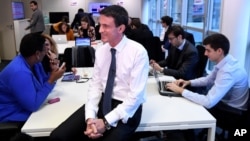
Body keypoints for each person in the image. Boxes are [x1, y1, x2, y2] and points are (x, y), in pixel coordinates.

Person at [50, 5, 149, 141]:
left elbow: (135, 96)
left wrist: (106, 122)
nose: (100, 30)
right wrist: (90, 117)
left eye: (106, 26)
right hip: (103, 100)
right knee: (58, 136)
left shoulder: (138, 52)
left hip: (127, 107)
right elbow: (95, 85)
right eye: (100, 25)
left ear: (120, 29)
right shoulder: (101, 51)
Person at [166, 33, 249, 139]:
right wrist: (188, 82)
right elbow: (208, 80)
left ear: (219, 51)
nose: (205, 54)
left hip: (233, 113)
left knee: (190, 109)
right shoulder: (225, 61)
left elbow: (209, 102)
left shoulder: (228, 72)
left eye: (208, 50)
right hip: (224, 104)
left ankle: (188, 137)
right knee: (191, 102)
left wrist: (181, 91)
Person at [0, 33, 66, 127]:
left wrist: (53, 71)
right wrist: (51, 80)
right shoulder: (19, 72)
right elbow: (33, 105)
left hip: (24, 107)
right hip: (12, 114)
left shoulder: (34, 63)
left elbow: (42, 85)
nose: (47, 52)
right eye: (45, 50)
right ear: (38, 54)